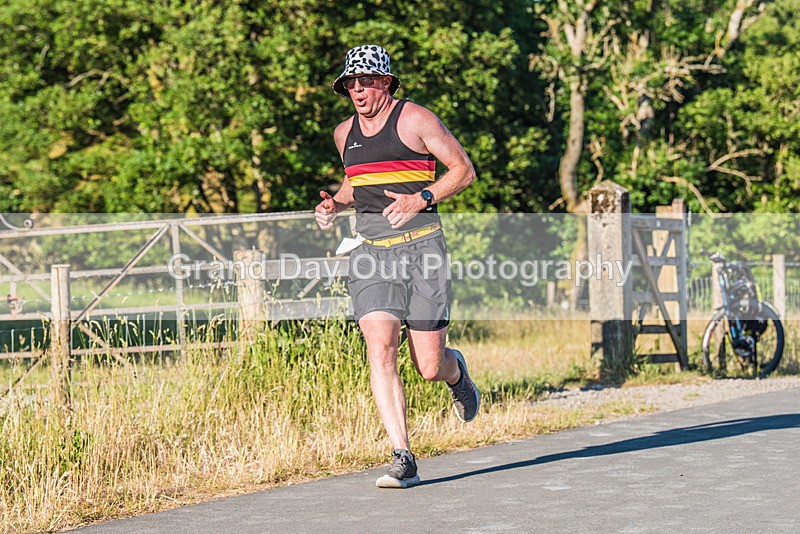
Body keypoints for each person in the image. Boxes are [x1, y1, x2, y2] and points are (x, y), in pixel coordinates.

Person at [314, 44, 480, 489]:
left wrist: (421, 198)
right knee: (380, 346)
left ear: (386, 82)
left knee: (428, 365)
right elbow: (356, 181)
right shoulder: (342, 132)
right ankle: (402, 455)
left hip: (423, 249)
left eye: (366, 81)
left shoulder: (416, 120)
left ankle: (455, 371)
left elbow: (463, 171)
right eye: (351, 82)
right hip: (372, 254)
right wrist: (332, 202)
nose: (357, 89)